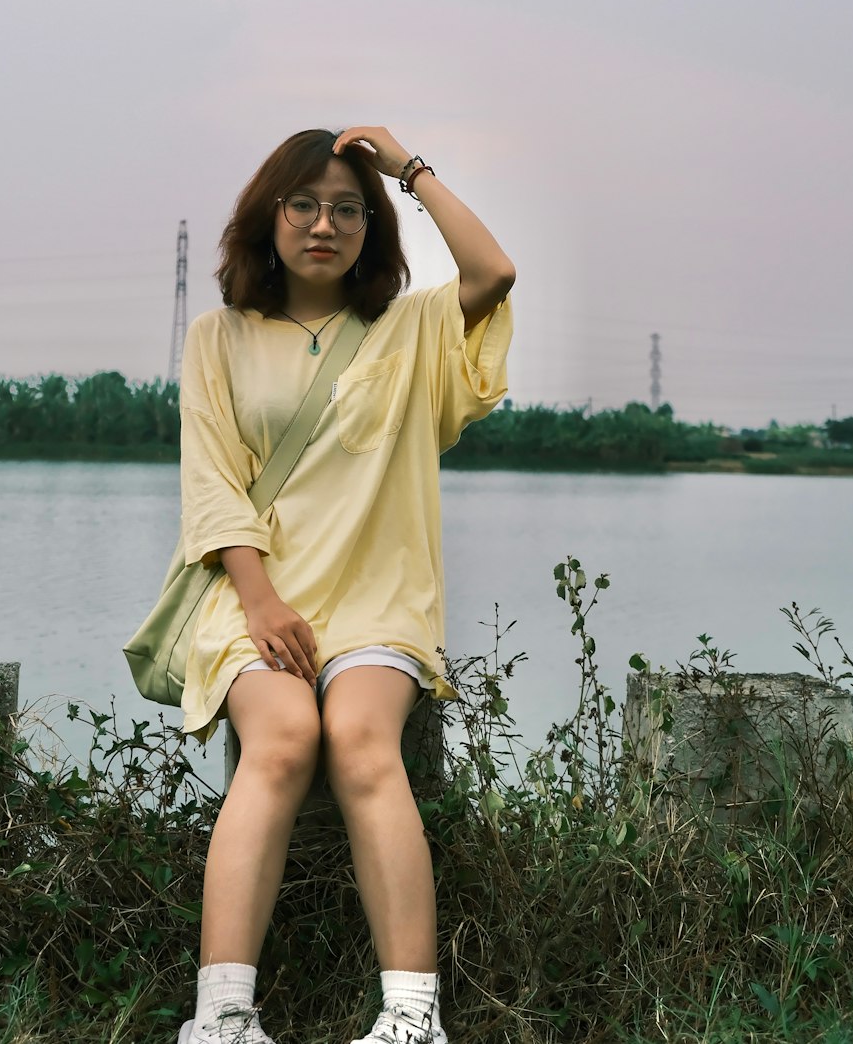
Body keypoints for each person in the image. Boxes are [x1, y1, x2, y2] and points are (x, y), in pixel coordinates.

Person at [177, 126, 515, 1044]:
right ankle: (222, 1018)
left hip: (377, 595)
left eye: (345, 208)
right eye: (304, 205)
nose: (324, 224)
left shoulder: (407, 331)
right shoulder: (218, 339)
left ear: (371, 224)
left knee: (364, 742)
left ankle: (410, 1018)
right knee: (281, 740)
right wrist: (260, 601)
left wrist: (409, 169)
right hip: (257, 600)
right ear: (268, 216)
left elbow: (493, 273)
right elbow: (211, 486)